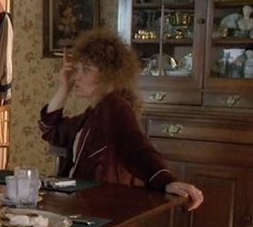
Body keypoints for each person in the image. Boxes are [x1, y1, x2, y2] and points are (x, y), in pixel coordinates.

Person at [39, 28, 204, 208]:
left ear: (109, 74)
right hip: (79, 204)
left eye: (85, 69)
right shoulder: (93, 113)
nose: (77, 77)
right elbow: (51, 129)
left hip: (99, 209)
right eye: (77, 69)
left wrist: (166, 181)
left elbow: (137, 148)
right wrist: (64, 87)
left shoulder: (115, 108)